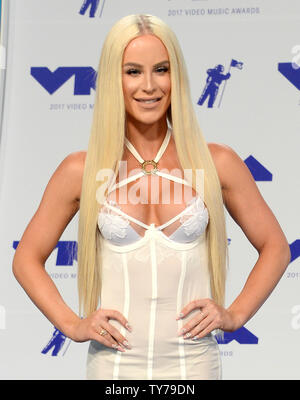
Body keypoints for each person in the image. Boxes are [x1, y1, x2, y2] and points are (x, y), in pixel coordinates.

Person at [12, 14, 291, 380]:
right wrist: (73, 324)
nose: (149, 85)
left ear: (177, 77)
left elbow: (277, 247)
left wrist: (234, 315)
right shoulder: (80, 170)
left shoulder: (217, 162)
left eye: (161, 69)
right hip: (113, 367)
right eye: (132, 71)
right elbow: (26, 259)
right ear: (114, 78)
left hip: (195, 366)